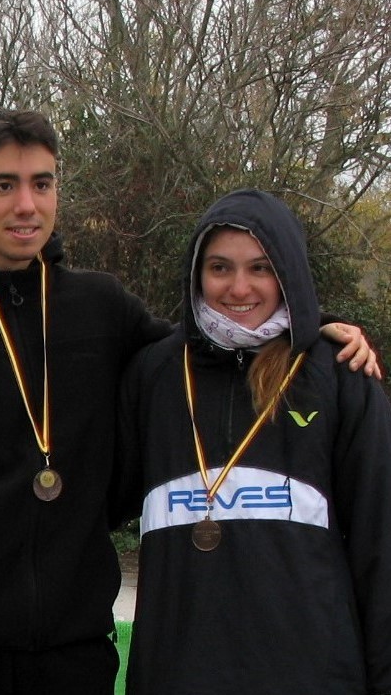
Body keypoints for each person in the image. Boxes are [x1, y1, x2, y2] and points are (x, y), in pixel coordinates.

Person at [0, 109, 377, 695]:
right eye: (4, 185)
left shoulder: (102, 308)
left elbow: (212, 345)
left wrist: (311, 326)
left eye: (41, 184)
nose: (26, 205)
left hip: (77, 657)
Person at [117, 188, 391, 694]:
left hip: (311, 676)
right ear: (197, 272)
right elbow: (94, 505)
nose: (239, 287)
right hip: (177, 675)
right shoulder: (153, 373)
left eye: (260, 268)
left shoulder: (340, 374)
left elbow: (381, 548)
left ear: (287, 274)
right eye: (220, 267)